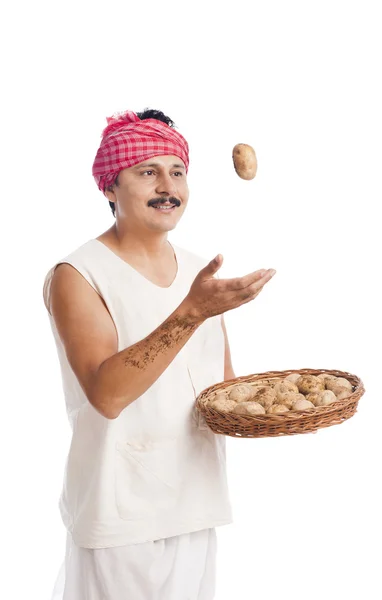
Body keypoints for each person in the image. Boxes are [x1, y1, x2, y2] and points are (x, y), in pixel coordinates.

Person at [43, 108, 276, 600]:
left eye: (177, 171)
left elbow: (220, 394)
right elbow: (106, 395)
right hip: (120, 512)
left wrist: (278, 403)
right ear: (109, 187)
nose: (167, 185)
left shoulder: (197, 272)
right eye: (147, 171)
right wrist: (192, 311)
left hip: (194, 504)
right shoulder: (79, 273)